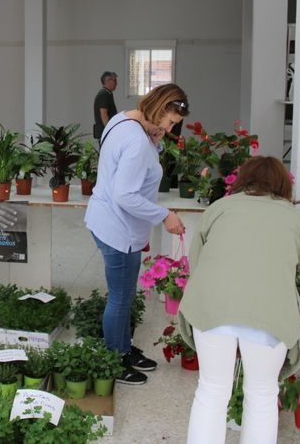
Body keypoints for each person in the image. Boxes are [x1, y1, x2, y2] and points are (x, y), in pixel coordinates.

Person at [178, 155, 300, 444]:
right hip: (270, 316)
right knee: (262, 396)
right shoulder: (293, 217)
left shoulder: (220, 208)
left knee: (211, 391)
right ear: (282, 185)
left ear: (244, 180)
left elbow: (198, 262)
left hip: (212, 309)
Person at [85, 83, 190, 385]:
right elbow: (125, 195)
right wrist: (165, 215)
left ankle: (123, 349)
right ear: (160, 108)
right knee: (120, 298)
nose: (170, 129)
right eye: (170, 121)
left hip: (106, 219)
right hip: (119, 229)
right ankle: (114, 361)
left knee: (125, 295)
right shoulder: (137, 142)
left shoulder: (123, 120)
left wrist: (154, 139)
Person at [92, 71, 119, 141]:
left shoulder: (108, 93)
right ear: (108, 81)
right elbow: (103, 114)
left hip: (106, 132)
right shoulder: (103, 94)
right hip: (104, 132)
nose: (116, 83)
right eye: (115, 81)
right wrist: (109, 130)